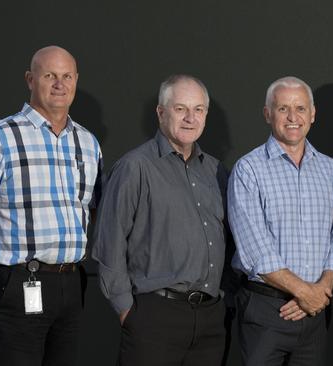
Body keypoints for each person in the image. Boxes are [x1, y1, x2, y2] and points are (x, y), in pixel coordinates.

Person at [0, 45, 102, 366]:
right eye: (49, 75)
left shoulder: (88, 142)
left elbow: (89, 209)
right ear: (30, 79)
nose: (59, 84)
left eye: (67, 76)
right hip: (21, 281)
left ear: (76, 80)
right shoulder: (0, 137)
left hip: (71, 282)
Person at [92, 74, 230, 366]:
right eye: (180, 108)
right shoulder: (135, 167)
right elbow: (109, 242)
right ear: (161, 112)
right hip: (154, 316)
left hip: (209, 320)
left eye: (198, 110)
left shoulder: (217, 172)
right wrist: (127, 311)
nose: (190, 118)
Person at [227, 76, 333, 366]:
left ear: (313, 114)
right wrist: (306, 293)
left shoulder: (330, 170)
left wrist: (321, 291)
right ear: (268, 114)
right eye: (283, 109)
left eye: (301, 108)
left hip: (316, 313)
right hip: (266, 310)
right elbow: (255, 249)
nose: (293, 117)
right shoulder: (248, 169)